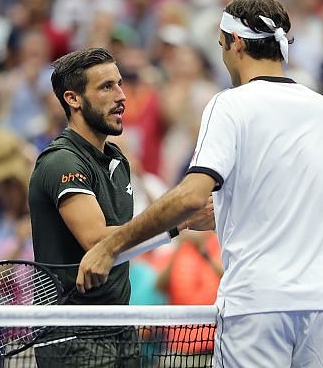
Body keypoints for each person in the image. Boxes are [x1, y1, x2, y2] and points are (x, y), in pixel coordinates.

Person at [77, 0, 323, 367]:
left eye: (222, 44)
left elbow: (191, 196)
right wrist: (224, 211)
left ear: (236, 44)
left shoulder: (230, 104)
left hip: (257, 308)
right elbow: (306, 201)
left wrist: (111, 247)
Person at [28, 47, 213, 368]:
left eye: (120, 84)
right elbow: (98, 241)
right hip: (74, 334)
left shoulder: (117, 159)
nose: (122, 96)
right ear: (73, 99)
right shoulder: (62, 161)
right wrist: (178, 222)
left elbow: (121, 243)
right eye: (106, 87)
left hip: (120, 323)